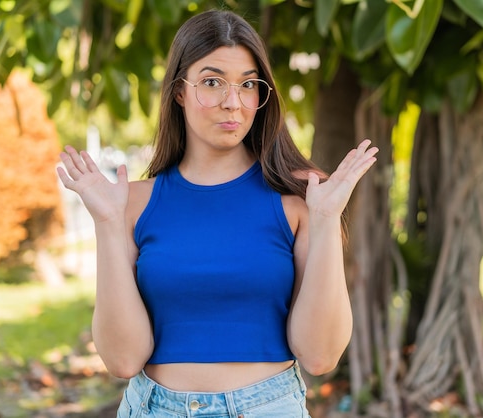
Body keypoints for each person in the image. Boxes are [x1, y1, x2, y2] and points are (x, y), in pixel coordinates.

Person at [57, 9, 378, 418]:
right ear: (178, 91)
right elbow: (123, 361)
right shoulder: (129, 204)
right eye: (212, 82)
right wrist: (105, 223)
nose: (233, 102)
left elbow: (319, 356)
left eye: (248, 84)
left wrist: (328, 219)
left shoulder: (302, 197)